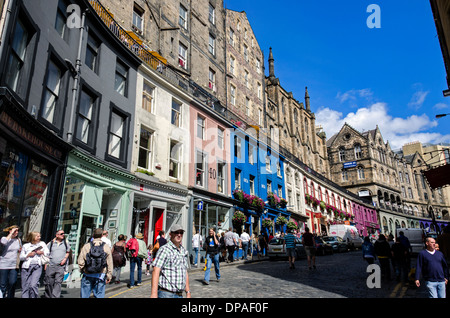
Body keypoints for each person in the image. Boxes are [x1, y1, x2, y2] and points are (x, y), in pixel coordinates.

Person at [151, 224, 191, 298]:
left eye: (181, 232)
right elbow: (156, 270)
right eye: (176, 232)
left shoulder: (183, 251)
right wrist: (153, 294)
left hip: (180, 295)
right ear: (170, 234)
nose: (179, 235)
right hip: (166, 294)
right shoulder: (164, 249)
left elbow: (185, 272)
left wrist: (188, 292)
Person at [78, 228, 113, 298]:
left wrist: (83, 270)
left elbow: (80, 261)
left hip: (88, 274)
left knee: (84, 295)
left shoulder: (87, 246)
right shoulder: (106, 247)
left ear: (93, 235)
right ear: (101, 236)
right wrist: (109, 275)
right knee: (99, 295)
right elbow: (110, 262)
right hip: (100, 275)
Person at [20, 232, 50, 298]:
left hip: (37, 266)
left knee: (33, 285)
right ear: (33, 237)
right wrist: (28, 255)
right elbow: (21, 257)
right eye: (37, 236)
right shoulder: (26, 246)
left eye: (39, 236)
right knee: (25, 285)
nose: (39, 237)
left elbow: (48, 253)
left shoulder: (42, 244)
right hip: (26, 266)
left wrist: (42, 252)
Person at [44, 230, 71, 298]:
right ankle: (49, 296)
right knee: (49, 283)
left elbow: (68, 252)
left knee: (58, 282)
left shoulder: (66, 243)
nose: (63, 235)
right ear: (57, 235)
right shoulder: (51, 243)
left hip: (60, 266)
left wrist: (64, 259)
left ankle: (55, 296)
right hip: (51, 265)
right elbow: (46, 254)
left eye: (63, 233)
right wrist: (45, 264)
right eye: (61, 233)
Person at [0, 225, 22, 298]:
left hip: (14, 265)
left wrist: (20, 251)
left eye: (17, 231)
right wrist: (11, 233)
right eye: (15, 231)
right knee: (3, 284)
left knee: (12, 282)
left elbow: (20, 249)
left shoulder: (18, 240)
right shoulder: (5, 238)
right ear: (10, 231)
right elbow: (3, 243)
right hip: (4, 264)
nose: (17, 232)